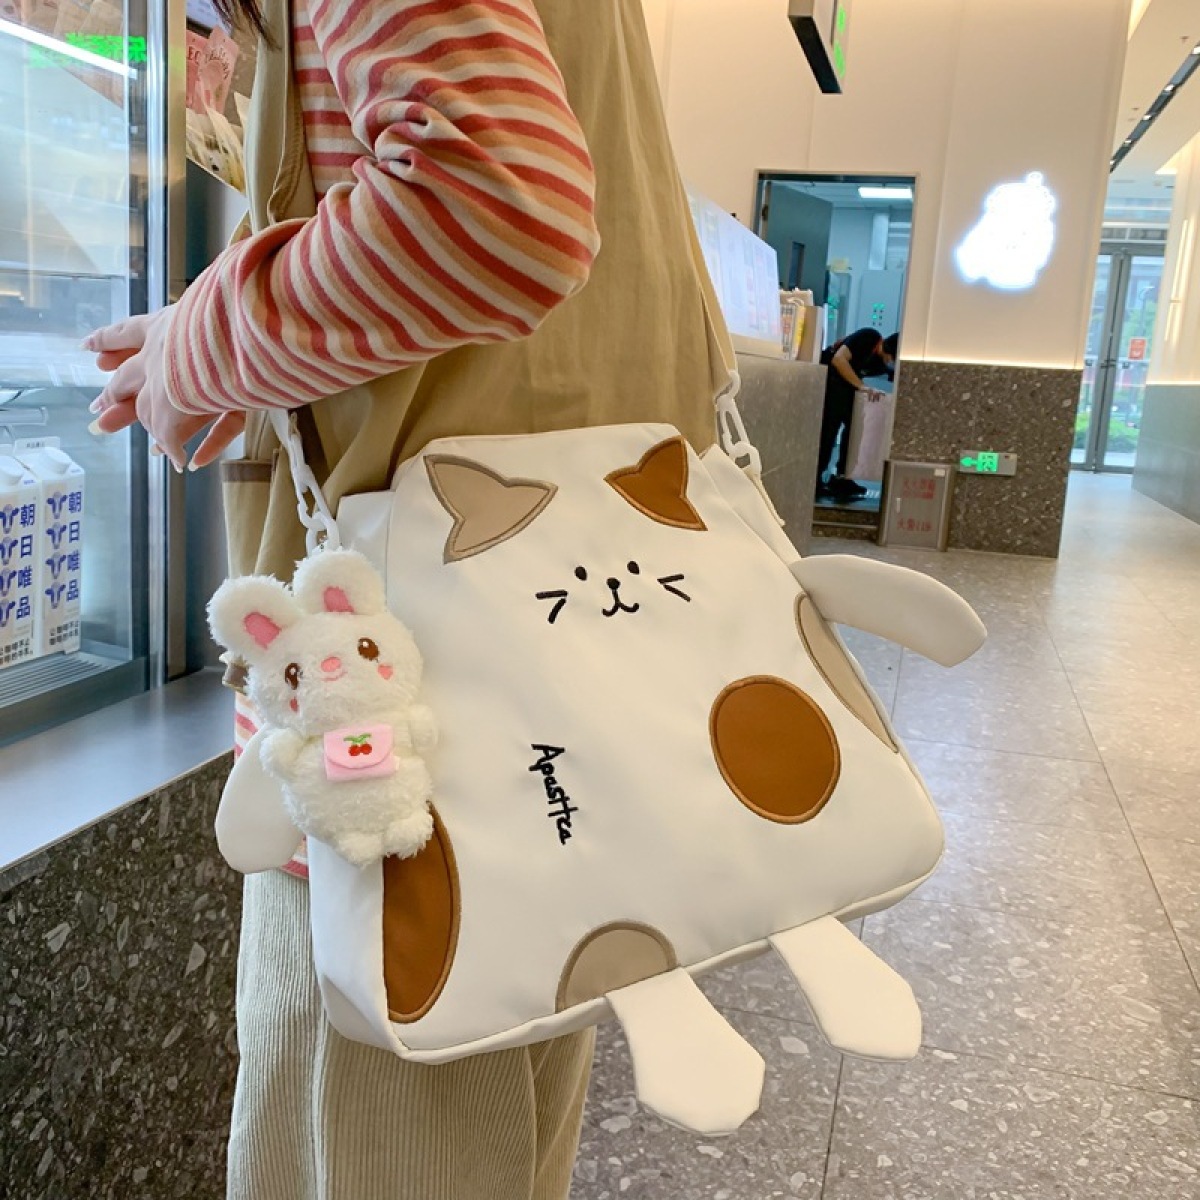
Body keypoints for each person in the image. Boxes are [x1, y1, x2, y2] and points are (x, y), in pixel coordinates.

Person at [83, 2, 736, 1198]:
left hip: (402, 722)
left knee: (372, 1129)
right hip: (555, 671)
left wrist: (203, 343)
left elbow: (496, 203)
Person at [816, 327, 897, 498]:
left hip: (846, 386)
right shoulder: (868, 337)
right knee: (829, 431)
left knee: (854, 429)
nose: (890, 363)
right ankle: (816, 479)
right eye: (891, 359)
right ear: (888, 350)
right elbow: (838, 360)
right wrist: (862, 386)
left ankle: (842, 477)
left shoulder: (882, 363)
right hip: (830, 378)